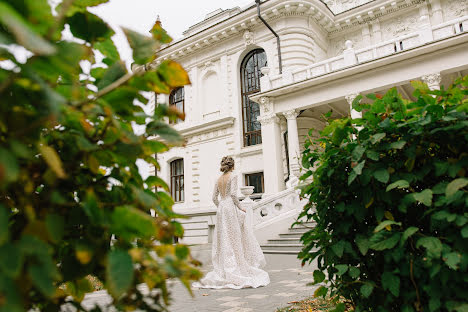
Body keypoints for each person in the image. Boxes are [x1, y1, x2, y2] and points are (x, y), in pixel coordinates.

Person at [193, 156, 270, 289]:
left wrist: (220, 207)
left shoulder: (218, 179)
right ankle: (236, 266)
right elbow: (234, 195)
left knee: (223, 238)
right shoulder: (233, 176)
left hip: (222, 208)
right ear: (232, 166)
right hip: (229, 207)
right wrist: (240, 208)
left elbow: (213, 198)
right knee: (234, 236)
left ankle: (224, 267)